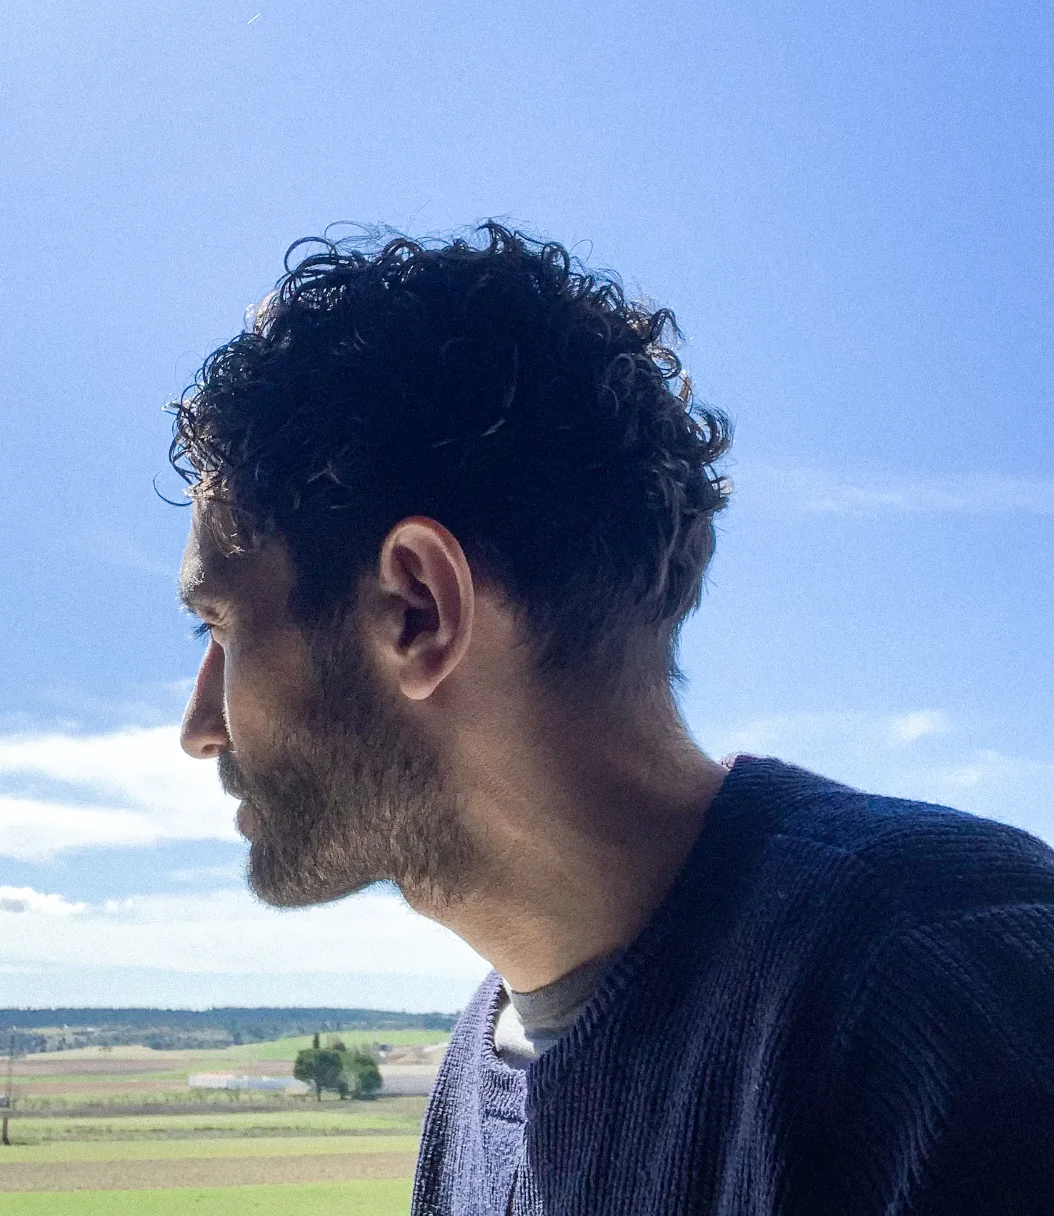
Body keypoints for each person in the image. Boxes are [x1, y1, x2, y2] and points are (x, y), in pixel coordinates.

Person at [170, 224, 1054, 1213]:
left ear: (414, 611)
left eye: (224, 626)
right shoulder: (481, 1067)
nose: (201, 725)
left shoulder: (936, 991)